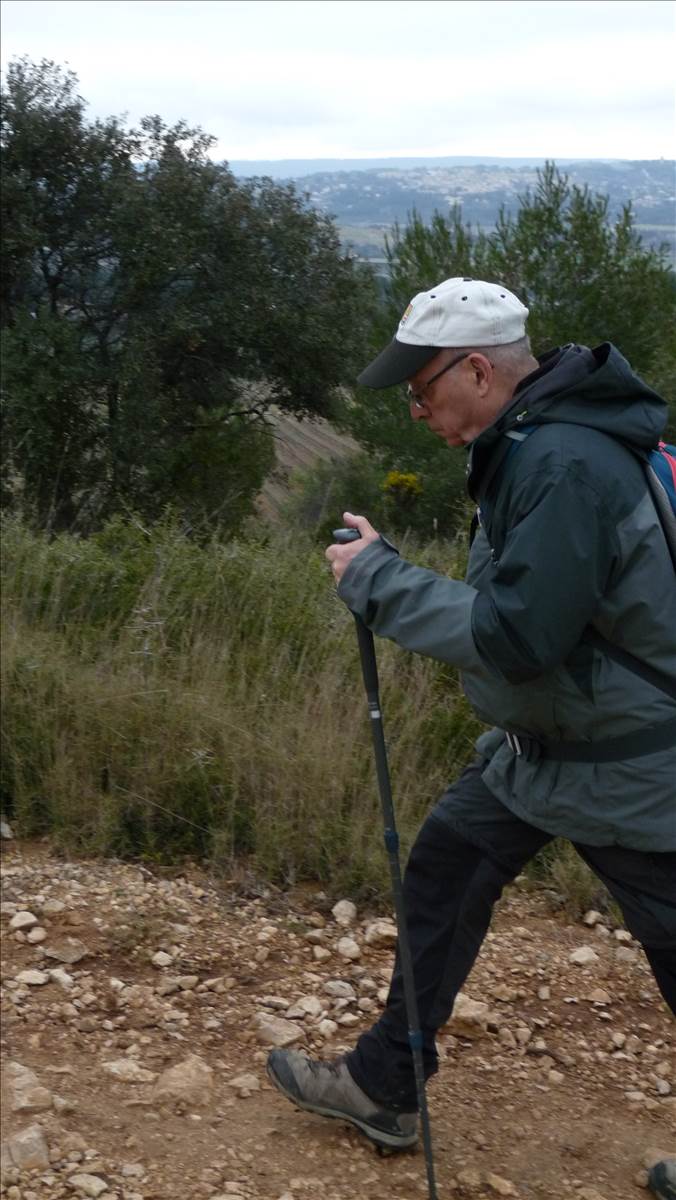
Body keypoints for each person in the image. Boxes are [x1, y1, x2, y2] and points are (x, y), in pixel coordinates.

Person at [266, 278, 676, 1195]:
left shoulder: (564, 463)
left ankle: (383, 1083)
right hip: (547, 753)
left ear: (479, 371)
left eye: (422, 390)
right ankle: (383, 1085)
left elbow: (519, 637)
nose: (415, 409)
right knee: (446, 866)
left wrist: (379, 581)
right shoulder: (535, 440)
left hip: (626, 766)